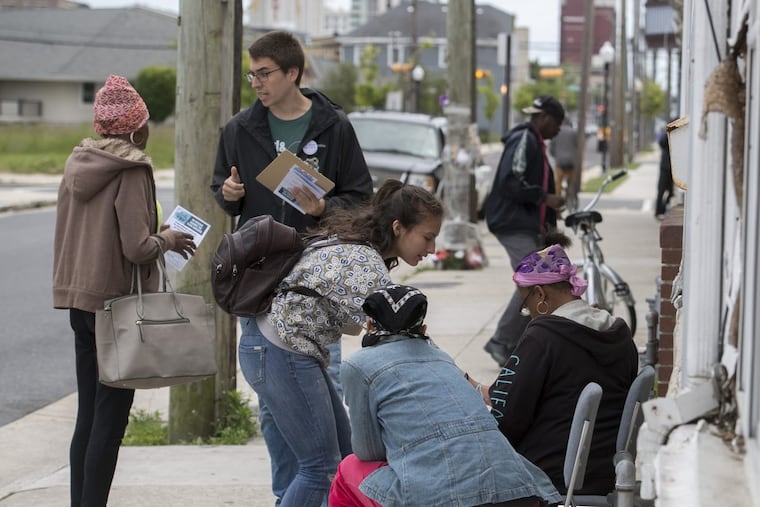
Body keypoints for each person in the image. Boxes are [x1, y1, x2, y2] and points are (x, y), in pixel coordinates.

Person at [209, 30, 373, 504]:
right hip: (258, 278)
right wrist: (228, 195)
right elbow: (220, 185)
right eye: (252, 74)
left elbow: (361, 198)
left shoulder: (333, 126)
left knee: (327, 381)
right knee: (273, 400)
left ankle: (323, 489)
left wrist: (324, 209)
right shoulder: (239, 130)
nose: (256, 83)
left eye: (265, 74)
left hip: (316, 277)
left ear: (293, 73)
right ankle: (291, 492)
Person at [238, 180, 444, 507]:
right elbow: (400, 345)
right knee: (319, 467)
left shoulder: (359, 247)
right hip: (280, 350)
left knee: (348, 459)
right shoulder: (368, 266)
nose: (432, 249)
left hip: (281, 348)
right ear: (398, 227)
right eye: (428, 237)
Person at [52, 74, 196, 507]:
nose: (149, 131)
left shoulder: (79, 161)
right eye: (146, 122)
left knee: (88, 415)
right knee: (110, 422)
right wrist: (168, 239)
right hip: (118, 309)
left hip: (80, 302)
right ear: (135, 127)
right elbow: (137, 248)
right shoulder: (132, 169)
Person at [328, 284, 562, 507]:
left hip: (440, 498)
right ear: (423, 331)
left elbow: (368, 452)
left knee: (348, 467)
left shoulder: (358, 365)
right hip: (520, 491)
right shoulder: (441, 357)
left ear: (369, 326)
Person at [479, 244, 638, 496]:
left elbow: (508, 420)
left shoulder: (543, 337)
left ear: (540, 294)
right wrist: (479, 388)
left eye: (525, 304)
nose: (528, 313)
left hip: (549, 474)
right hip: (606, 471)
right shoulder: (618, 333)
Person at [482, 95, 567, 366]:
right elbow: (510, 181)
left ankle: (512, 341)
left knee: (538, 278)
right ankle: (502, 340)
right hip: (511, 222)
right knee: (535, 278)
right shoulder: (524, 139)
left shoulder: (536, 143)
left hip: (525, 223)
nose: (559, 130)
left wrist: (550, 212)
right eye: (557, 123)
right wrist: (545, 197)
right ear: (543, 118)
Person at [548, 118, 579, 201]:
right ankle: (572, 195)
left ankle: (558, 199)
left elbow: (551, 149)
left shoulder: (556, 132)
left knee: (558, 183)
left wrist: (555, 155)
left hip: (560, 161)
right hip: (571, 161)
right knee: (572, 181)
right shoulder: (574, 132)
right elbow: (577, 146)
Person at [655, 125, 674, 219]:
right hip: (665, 167)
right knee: (661, 191)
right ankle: (658, 211)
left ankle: (663, 209)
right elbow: (661, 143)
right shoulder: (666, 137)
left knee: (671, 192)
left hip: (672, 169)